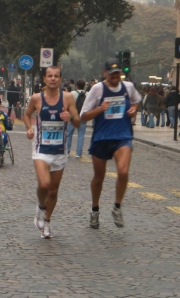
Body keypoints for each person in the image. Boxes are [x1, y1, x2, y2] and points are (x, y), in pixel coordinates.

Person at [80, 58, 141, 229]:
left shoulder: (128, 87)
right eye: (112, 73)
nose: (115, 76)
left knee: (123, 171)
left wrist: (133, 109)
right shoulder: (97, 89)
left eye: (118, 73)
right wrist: (100, 109)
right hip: (101, 138)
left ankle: (117, 207)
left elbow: (136, 101)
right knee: (99, 178)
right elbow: (83, 116)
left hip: (123, 137)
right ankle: (94, 210)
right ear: (105, 73)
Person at [24, 66, 80, 239]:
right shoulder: (36, 98)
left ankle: (47, 221)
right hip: (41, 149)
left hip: (59, 150)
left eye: (56, 76)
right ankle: (41, 206)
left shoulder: (68, 98)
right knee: (44, 185)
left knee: (54, 191)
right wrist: (29, 129)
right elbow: (26, 115)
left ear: (61, 79)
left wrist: (70, 118)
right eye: (50, 76)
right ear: (44, 79)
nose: (53, 79)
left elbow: (78, 121)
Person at [67, 79, 87, 157]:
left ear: (76, 86)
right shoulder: (87, 94)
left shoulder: (72, 93)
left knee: (69, 134)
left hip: (73, 116)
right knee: (81, 135)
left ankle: (67, 151)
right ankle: (78, 153)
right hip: (83, 116)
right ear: (84, 86)